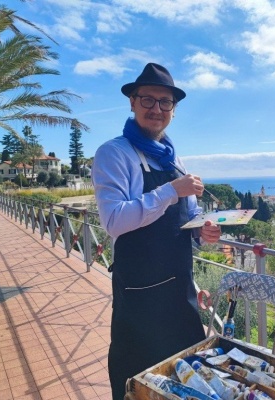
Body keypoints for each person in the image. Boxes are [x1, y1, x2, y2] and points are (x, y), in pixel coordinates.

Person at [91, 62, 222, 400]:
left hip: (181, 292)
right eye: (147, 99)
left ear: (174, 110)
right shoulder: (113, 153)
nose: (157, 109)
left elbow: (187, 216)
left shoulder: (173, 160)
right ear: (132, 102)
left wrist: (203, 230)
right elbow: (114, 220)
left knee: (186, 377)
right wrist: (169, 191)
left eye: (165, 102)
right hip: (140, 296)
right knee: (138, 382)